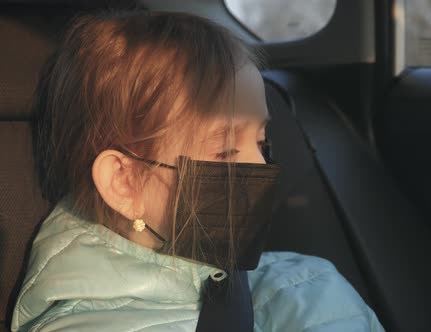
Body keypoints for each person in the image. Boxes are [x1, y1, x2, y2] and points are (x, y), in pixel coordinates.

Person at [10, 10, 384, 332]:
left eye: (262, 144)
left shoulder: (309, 281)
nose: (261, 166)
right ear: (124, 182)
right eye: (225, 151)